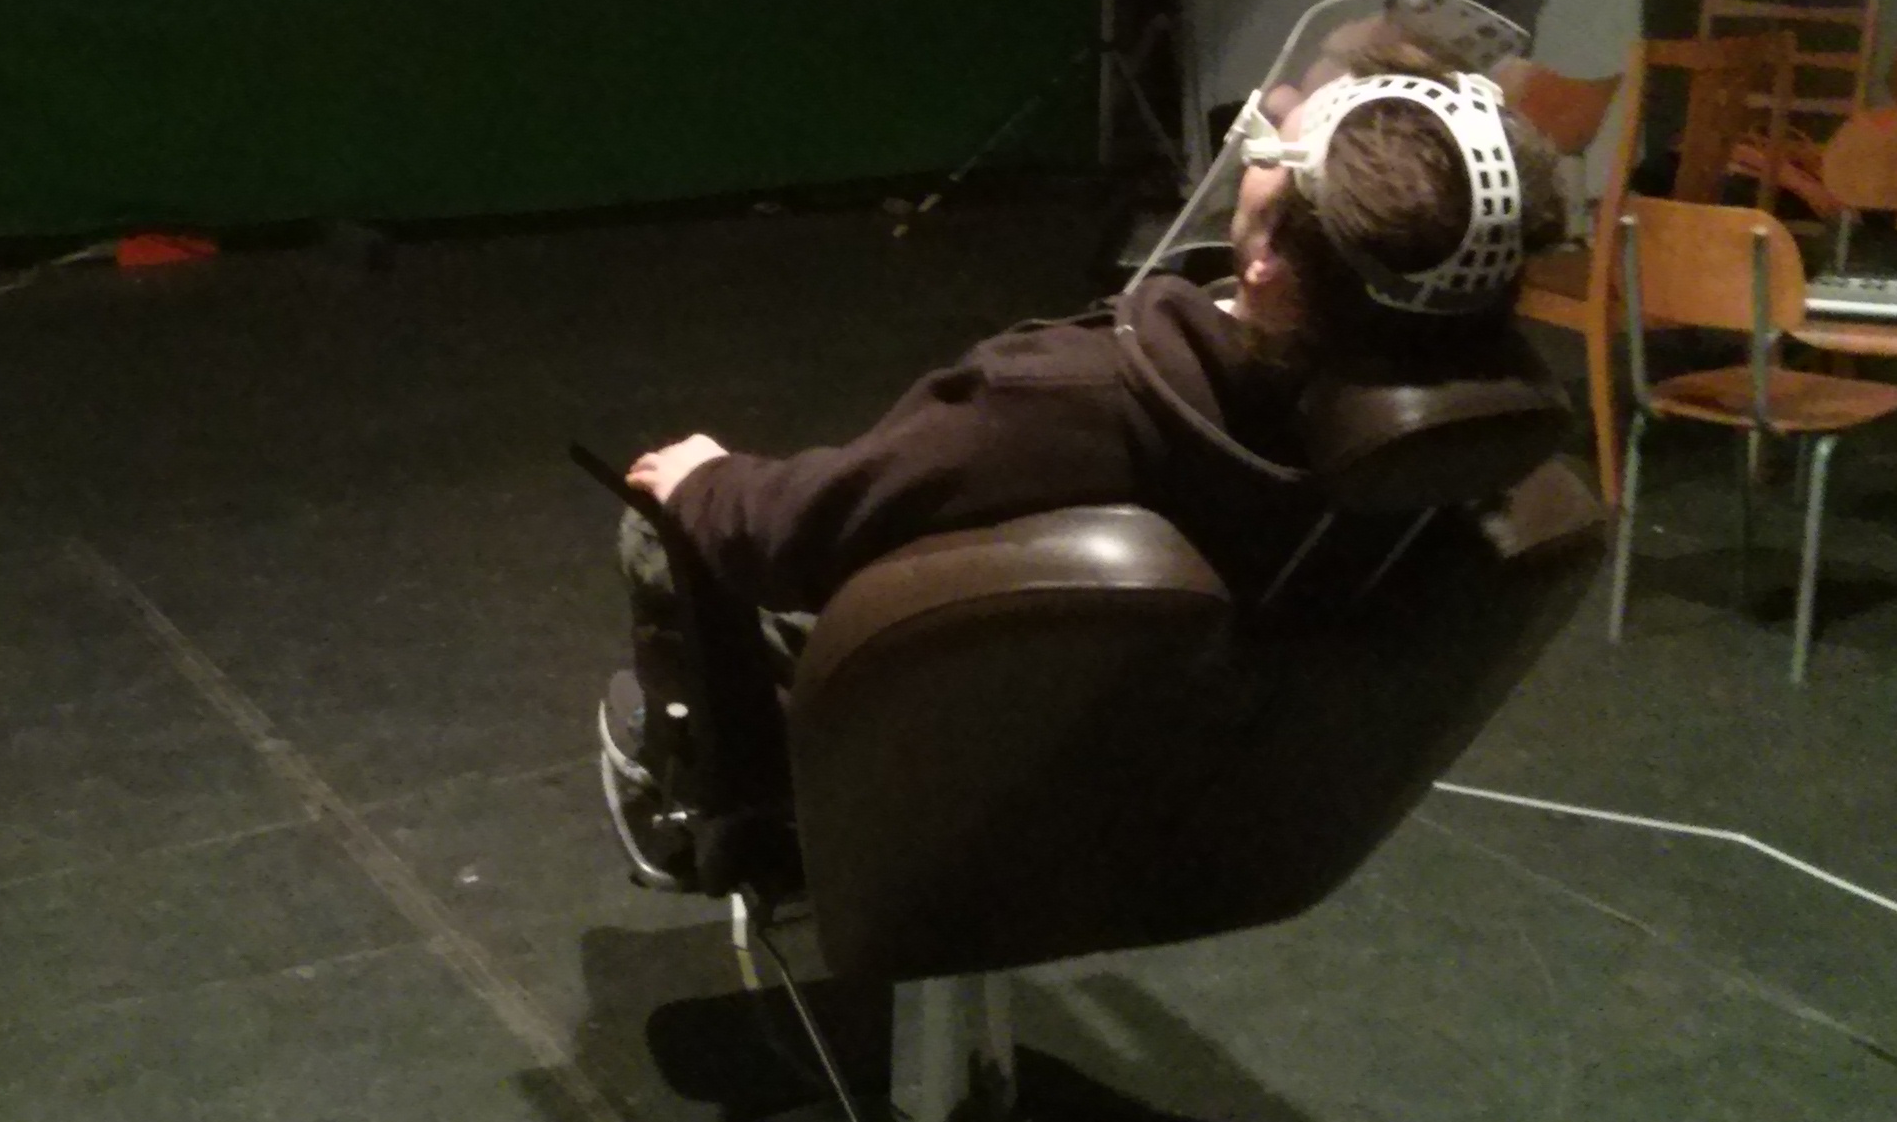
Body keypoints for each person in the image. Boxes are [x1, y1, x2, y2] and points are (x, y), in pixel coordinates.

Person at [598, 52, 1568, 890]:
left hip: (970, 765)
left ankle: (746, 819)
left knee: (664, 521)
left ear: (1269, 267)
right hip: (1203, 810)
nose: (1264, 122)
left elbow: (797, 534)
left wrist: (703, 482)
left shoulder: (1067, 401)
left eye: (1269, 151)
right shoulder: (1460, 459)